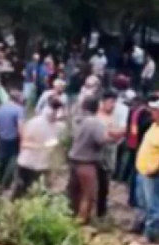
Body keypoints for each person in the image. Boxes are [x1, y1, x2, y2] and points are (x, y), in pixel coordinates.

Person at [68, 96, 118, 224]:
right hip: (87, 162)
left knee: (75, 191)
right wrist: (114, 138)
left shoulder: (78, 120)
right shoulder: (96, 123)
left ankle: (70, 216)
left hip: (73, 160)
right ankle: (81, 221)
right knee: (88, 194)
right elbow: (101, 140)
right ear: (97, 107)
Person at [12, 97, 63, 200]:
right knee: (20, 190)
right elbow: (24, 143)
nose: (56, 115)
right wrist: (41, 146)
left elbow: (56, 144)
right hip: (27, 163)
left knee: (37, 193)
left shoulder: (59, 127)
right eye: (54, 111)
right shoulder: (34, 123)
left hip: (43, 165)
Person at [96, 91, 126, 219]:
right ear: (103, 102)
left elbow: (122, 132)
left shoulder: (114, 117)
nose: (112, 105)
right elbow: (103, 135)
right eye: (110, 102)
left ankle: (101, 212)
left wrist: (111, 133)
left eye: (114, 102)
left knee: (104, 185)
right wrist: (112, 133)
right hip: (97, 156)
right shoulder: (97, 116)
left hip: (109, 156)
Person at [134, 100, 159, 243]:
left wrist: (154, 169)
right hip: (142, 170)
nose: (152, 113)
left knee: (152, 205)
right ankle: (142, 227)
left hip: (152, 174)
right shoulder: (153, 126)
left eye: (155, 110)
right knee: (142, 202)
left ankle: (150, 234)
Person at [0, 91, 25, 191]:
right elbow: (20, 129)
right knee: (14, 164)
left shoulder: (0, 108)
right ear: (18, 99)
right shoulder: (19, 110)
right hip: (14, 141)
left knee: (2, 163)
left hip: (2, 140)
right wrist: (22, 143)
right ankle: (8, 186)